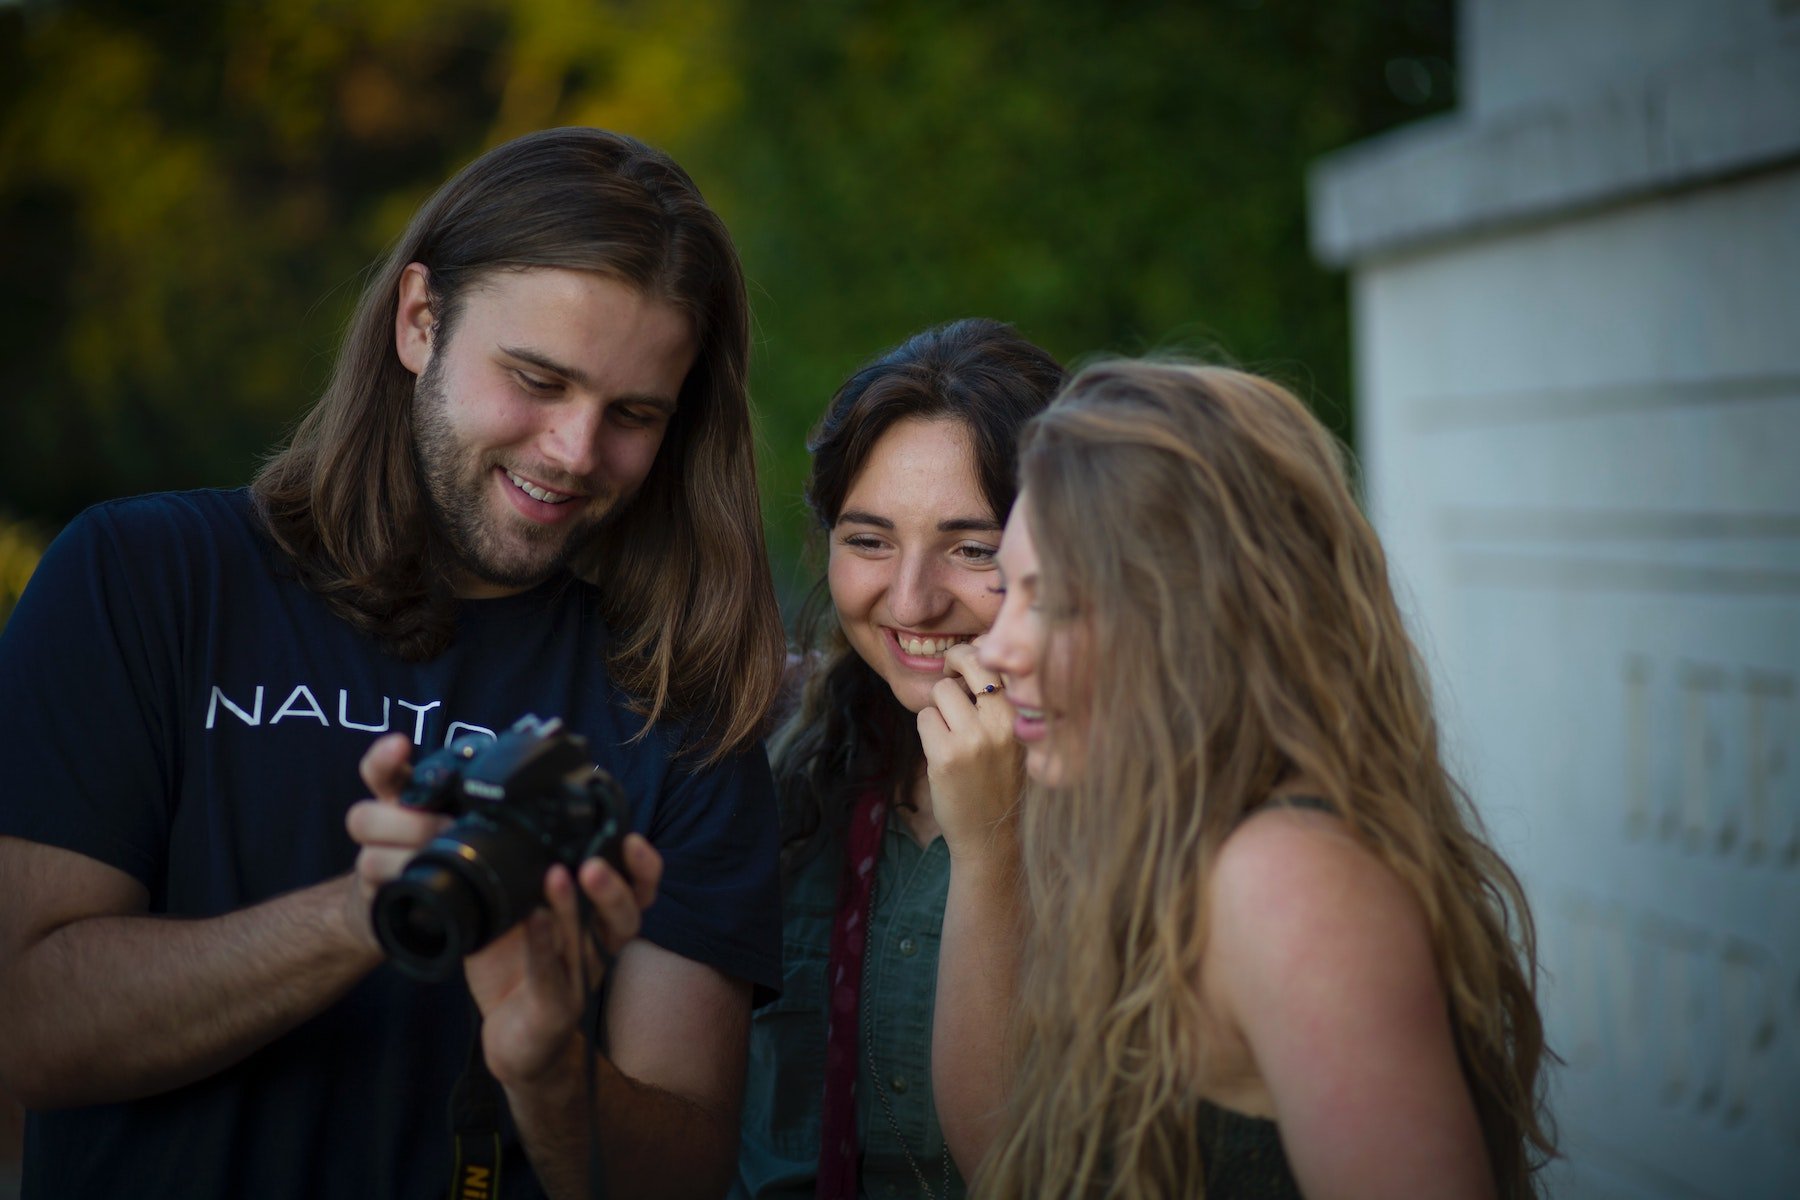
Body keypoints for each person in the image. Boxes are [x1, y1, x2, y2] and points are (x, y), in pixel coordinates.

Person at [0, 127, 787, 1199]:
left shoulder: (678, 701)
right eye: (537, 379)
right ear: (421, 320)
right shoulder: (141, 579)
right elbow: (28, 1023)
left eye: (633, 415)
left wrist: (546, 1065)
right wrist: (375, 910)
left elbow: (686, 1178)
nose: (573, 450)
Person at [943, 361, 1556, 1197]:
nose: (1000, 646)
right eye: (1009, 589)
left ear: (1195, 615)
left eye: (1055, 601)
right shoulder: (1161, 837)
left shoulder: (1290, 879)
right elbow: (1005, 1158)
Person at [732, 319, 1063, 1199]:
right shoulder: (768, 763)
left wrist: (997, 841)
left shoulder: (1147, 806)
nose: (910, 599)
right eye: (870, 540)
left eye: (972, 548)